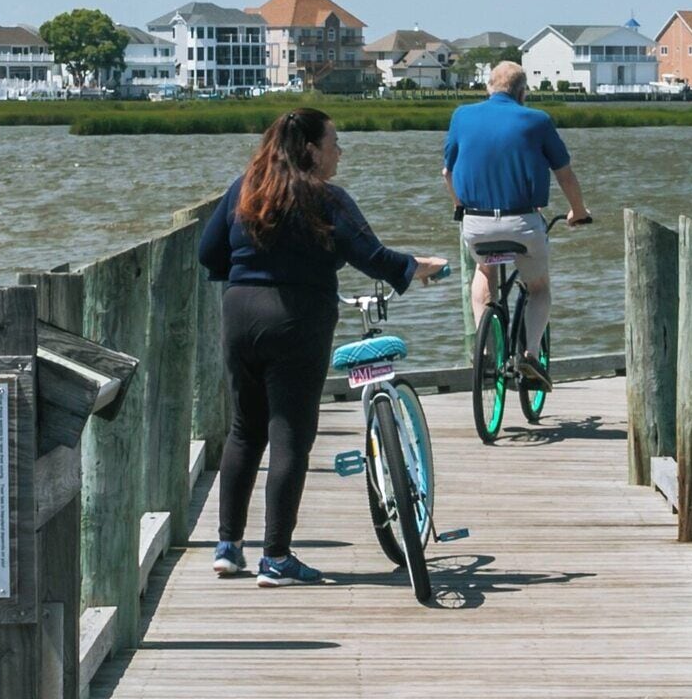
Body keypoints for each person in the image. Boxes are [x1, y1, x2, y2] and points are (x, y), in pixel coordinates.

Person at [196, 107, 446, 585]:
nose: (339, 150)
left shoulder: (244, 187)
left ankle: (228, 546)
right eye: (334, 142)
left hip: (240, 313)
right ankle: (276, 556)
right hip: (297, 317)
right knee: (290, 433)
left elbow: (209, 253)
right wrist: (417, 265)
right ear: (310, 150)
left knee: (245, 429)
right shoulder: (326, 198)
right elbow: (371, 257)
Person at [442, 61, 594, 375]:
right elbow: (564, 174)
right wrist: (578, 211)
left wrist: (460, 207)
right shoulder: (537, 120)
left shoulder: (462, 115)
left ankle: (484, 350)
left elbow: (447, 172)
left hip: (476, 222)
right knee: (538, 288)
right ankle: (531, 354)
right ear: (522, 92)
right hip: (522, 223)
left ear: (488, 88)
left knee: (484, 272)